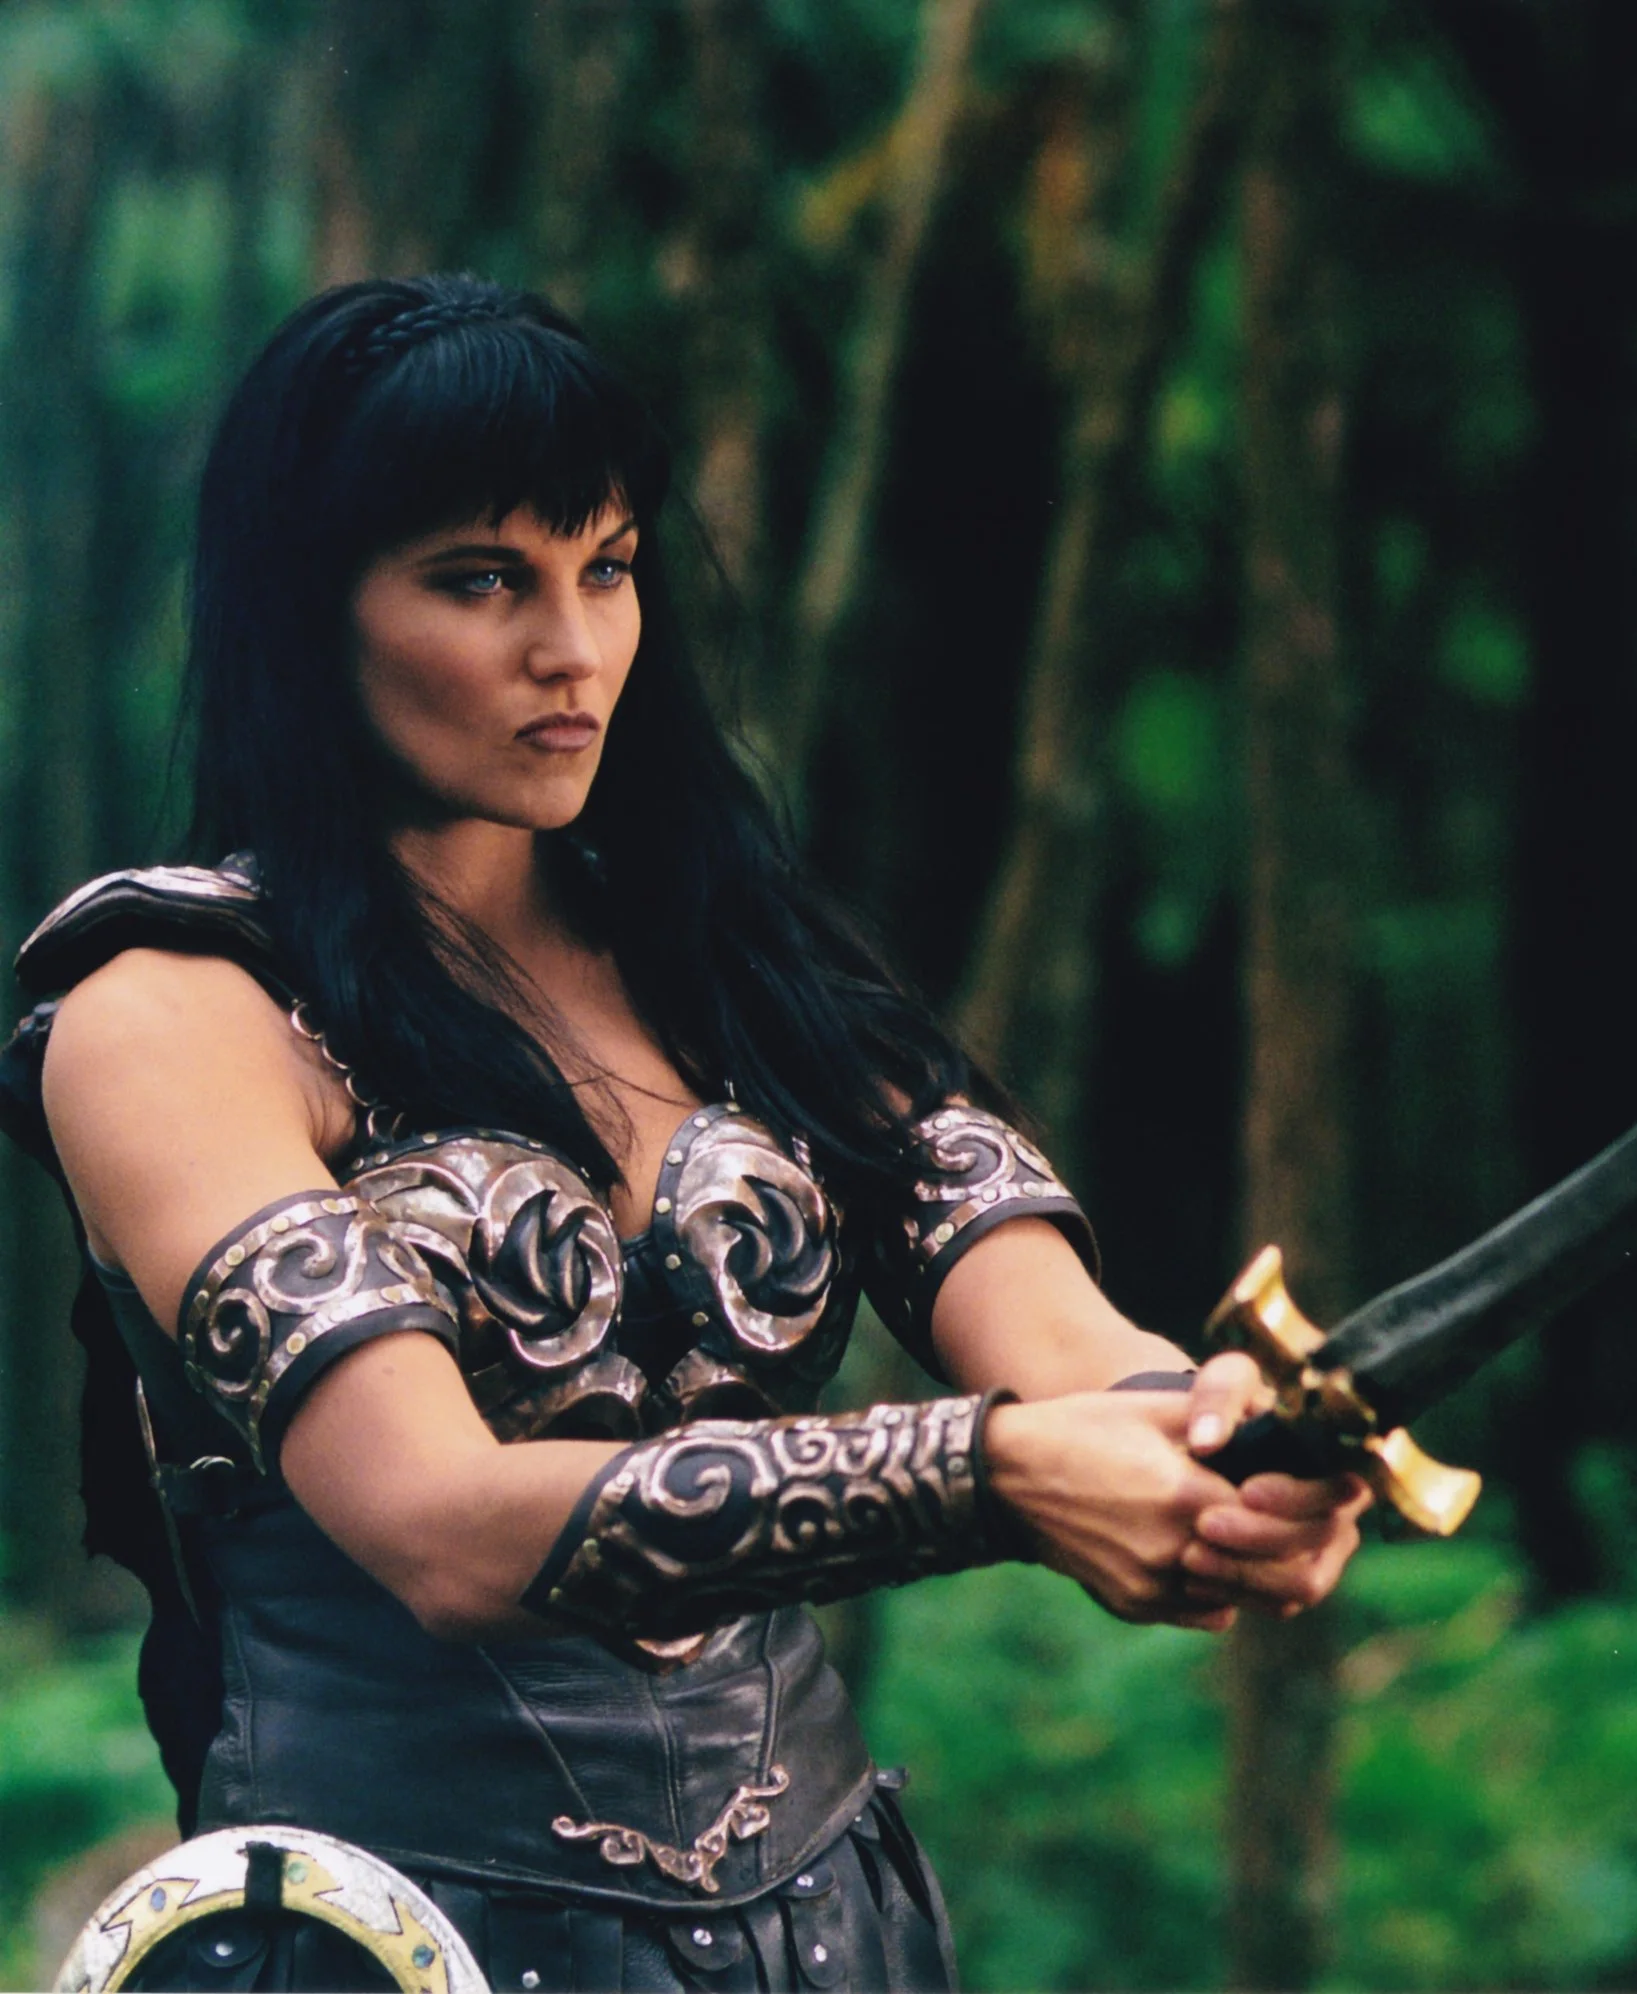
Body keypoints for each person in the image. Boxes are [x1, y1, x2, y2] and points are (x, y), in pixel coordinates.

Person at [0, 274, 1368, 1991]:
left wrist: (1217, 1445)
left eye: (609, 567)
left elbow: (1065, 1339)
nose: (572, 650)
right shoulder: (173, 1011)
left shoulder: (739, 962)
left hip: (828, 1936)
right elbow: (441, 1520)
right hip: (398, 1947)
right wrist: (996, 1472)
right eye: (481, 578)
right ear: (308, 609)